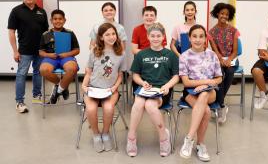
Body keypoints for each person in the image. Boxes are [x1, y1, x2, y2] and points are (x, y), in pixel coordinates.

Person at [126, 22, 179, 157]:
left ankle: (163, 137)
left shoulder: (170, 55)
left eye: (158, 36)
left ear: (163, 37)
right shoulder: (141, 54)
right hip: (145, 88)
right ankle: (131, 137)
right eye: (153, 36)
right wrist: (142, 82)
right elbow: (135, 75)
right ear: (148, 37)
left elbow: (176, 76)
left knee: (150, 105)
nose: (155, 38)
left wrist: (167, 86)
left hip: (162, 90)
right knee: (138, 103)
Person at [179, 24, 222, 162]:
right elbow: (186, 82)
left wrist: (206, 84)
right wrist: (204, 82)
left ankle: (189, 138)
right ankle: (200, 145)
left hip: (210, 92)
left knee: (204, 94)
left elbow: (219, 78)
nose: (198, 39)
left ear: (205, 39)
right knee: (207, 111)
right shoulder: (184, 56)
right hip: (190, 93)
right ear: (189, 38)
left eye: (201, 36)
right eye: (194, 36)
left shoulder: (212, 55)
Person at [82, 23, 126, 152]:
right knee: (91, 109)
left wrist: (114, 87)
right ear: (101, 37)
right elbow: (89, 72)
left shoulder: (121, 54)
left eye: (113, 34)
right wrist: (84, 85)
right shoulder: (94, 52)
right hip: (93, 88)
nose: (111, 37)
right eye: (107, 34)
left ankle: (106, 134)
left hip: (110, 90)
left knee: (108, 108)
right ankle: (96, 135)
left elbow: (120, 75)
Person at [8, 0, 49, 113]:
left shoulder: (42, 11)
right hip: (24, 51)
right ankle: (19, 102)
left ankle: (37, 96)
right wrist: (15, 51)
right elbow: (11, 32)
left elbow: (46, 32)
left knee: (38, 73)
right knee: (21, 75)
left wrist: (46, 50)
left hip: (40, 51)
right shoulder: (16, 11)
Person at [39, 9, 80, 104]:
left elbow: (77, 50)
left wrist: (66, 54)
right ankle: (62, 86)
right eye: (55, 19)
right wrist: (48, 55)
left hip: (66, 57)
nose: (58, 21)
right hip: (50, 58)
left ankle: (57, 93)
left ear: (64, 20)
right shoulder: (45, 34)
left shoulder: (70, 33)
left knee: (72, 69)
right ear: (51, 20)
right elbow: (41, 52)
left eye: (60, 19)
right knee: (43, 70)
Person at [208, 2, 239, 123]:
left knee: (230, 72)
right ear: (217, 14)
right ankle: (222, 106)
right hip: (218, 59)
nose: (224, 16)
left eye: (227, 14)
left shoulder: (234, 30)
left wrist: (229, 59)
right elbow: (215, 50)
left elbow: (235, 51)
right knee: (219, 75)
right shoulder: (211, 32)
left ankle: (218, 102)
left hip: (232, 58)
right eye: (222, 13)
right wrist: (221, 59)